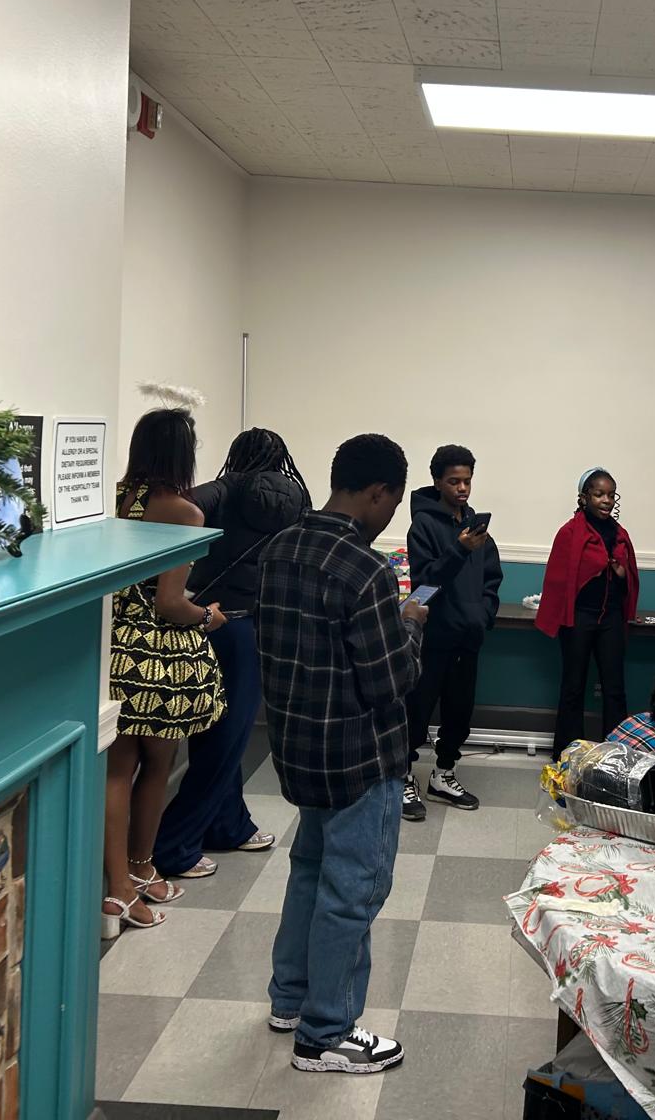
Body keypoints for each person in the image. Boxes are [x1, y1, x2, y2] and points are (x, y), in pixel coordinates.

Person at [257, 433, 428, 1072]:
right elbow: (391, 681)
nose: (390, 516)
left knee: (309, 870)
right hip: (360, 756)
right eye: (393, 503)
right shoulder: (365, 570)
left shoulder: (278, 549)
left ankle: (290, 1000)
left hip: (299, 750)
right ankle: (326, 1033)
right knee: (353, 889)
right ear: (379, 492)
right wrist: (409, 625)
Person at [152, 429, 309, 880]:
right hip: (254, 625)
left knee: (216, 737)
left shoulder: (221, 490)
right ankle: (204, 835)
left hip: (209, 620)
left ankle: (192, 838)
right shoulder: (296, 496)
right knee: (229, 737)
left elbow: (175, 510)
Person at [102, 408, 225, 939]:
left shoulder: (113, 500)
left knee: (117, 769)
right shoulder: (183, 512)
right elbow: (171, 603)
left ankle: (119, 887)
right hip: (159, 656)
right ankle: (137, 872)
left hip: (113, 648)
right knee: (158, 764)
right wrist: (208, 617)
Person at [402, 444, 502, 820]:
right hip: (433, 638)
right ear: (437, 482)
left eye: (467, 481)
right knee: (416, 711)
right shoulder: (423, 526)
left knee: (459, 713)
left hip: (468, 636)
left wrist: (484, 613)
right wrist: (458, 550)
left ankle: (443, 775)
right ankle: (402, 775)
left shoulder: (476, 525)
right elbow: (425, 582)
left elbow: (491, 577)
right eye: (453, 481)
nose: (462, 488)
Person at [537, 468, 640, 760]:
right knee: (573, 686)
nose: (606, 500)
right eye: (599, 494)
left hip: (610, 619)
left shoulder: (620, 534)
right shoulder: (569, 533)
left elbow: (629, 578)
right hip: (579, 618)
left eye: (611, 495)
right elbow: (558, 579)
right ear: (584, 498)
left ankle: (617, 756)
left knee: (614, 688)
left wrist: (620, 573)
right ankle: (567, 754)